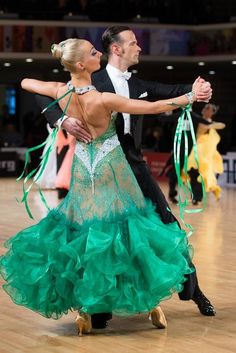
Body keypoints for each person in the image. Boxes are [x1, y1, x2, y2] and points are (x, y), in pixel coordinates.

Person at [1, 38, 205, 336]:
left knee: (86, 239)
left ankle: (86, 310)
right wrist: (191, 96)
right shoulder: (103, 99)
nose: (100, 54)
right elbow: (154, 107)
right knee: (130, 235)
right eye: (94, 53)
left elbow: (26, 81)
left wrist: (64, 119)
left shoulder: (61, 92)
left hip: (84, 177)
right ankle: (150, 303)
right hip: (115, 175)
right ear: (82, 64)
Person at [185, 103, 225, 204]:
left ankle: (198, 197)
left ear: (212, 112)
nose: (206, 109)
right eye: (205, 107)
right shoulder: (198, 120)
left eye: (209, 109)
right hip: (196, 151)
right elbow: (201, 127)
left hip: (206, 154)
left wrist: (212, 124)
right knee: (193, 173)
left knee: (203, 174)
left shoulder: (210, 122)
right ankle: (195, 196)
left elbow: (221, 126)